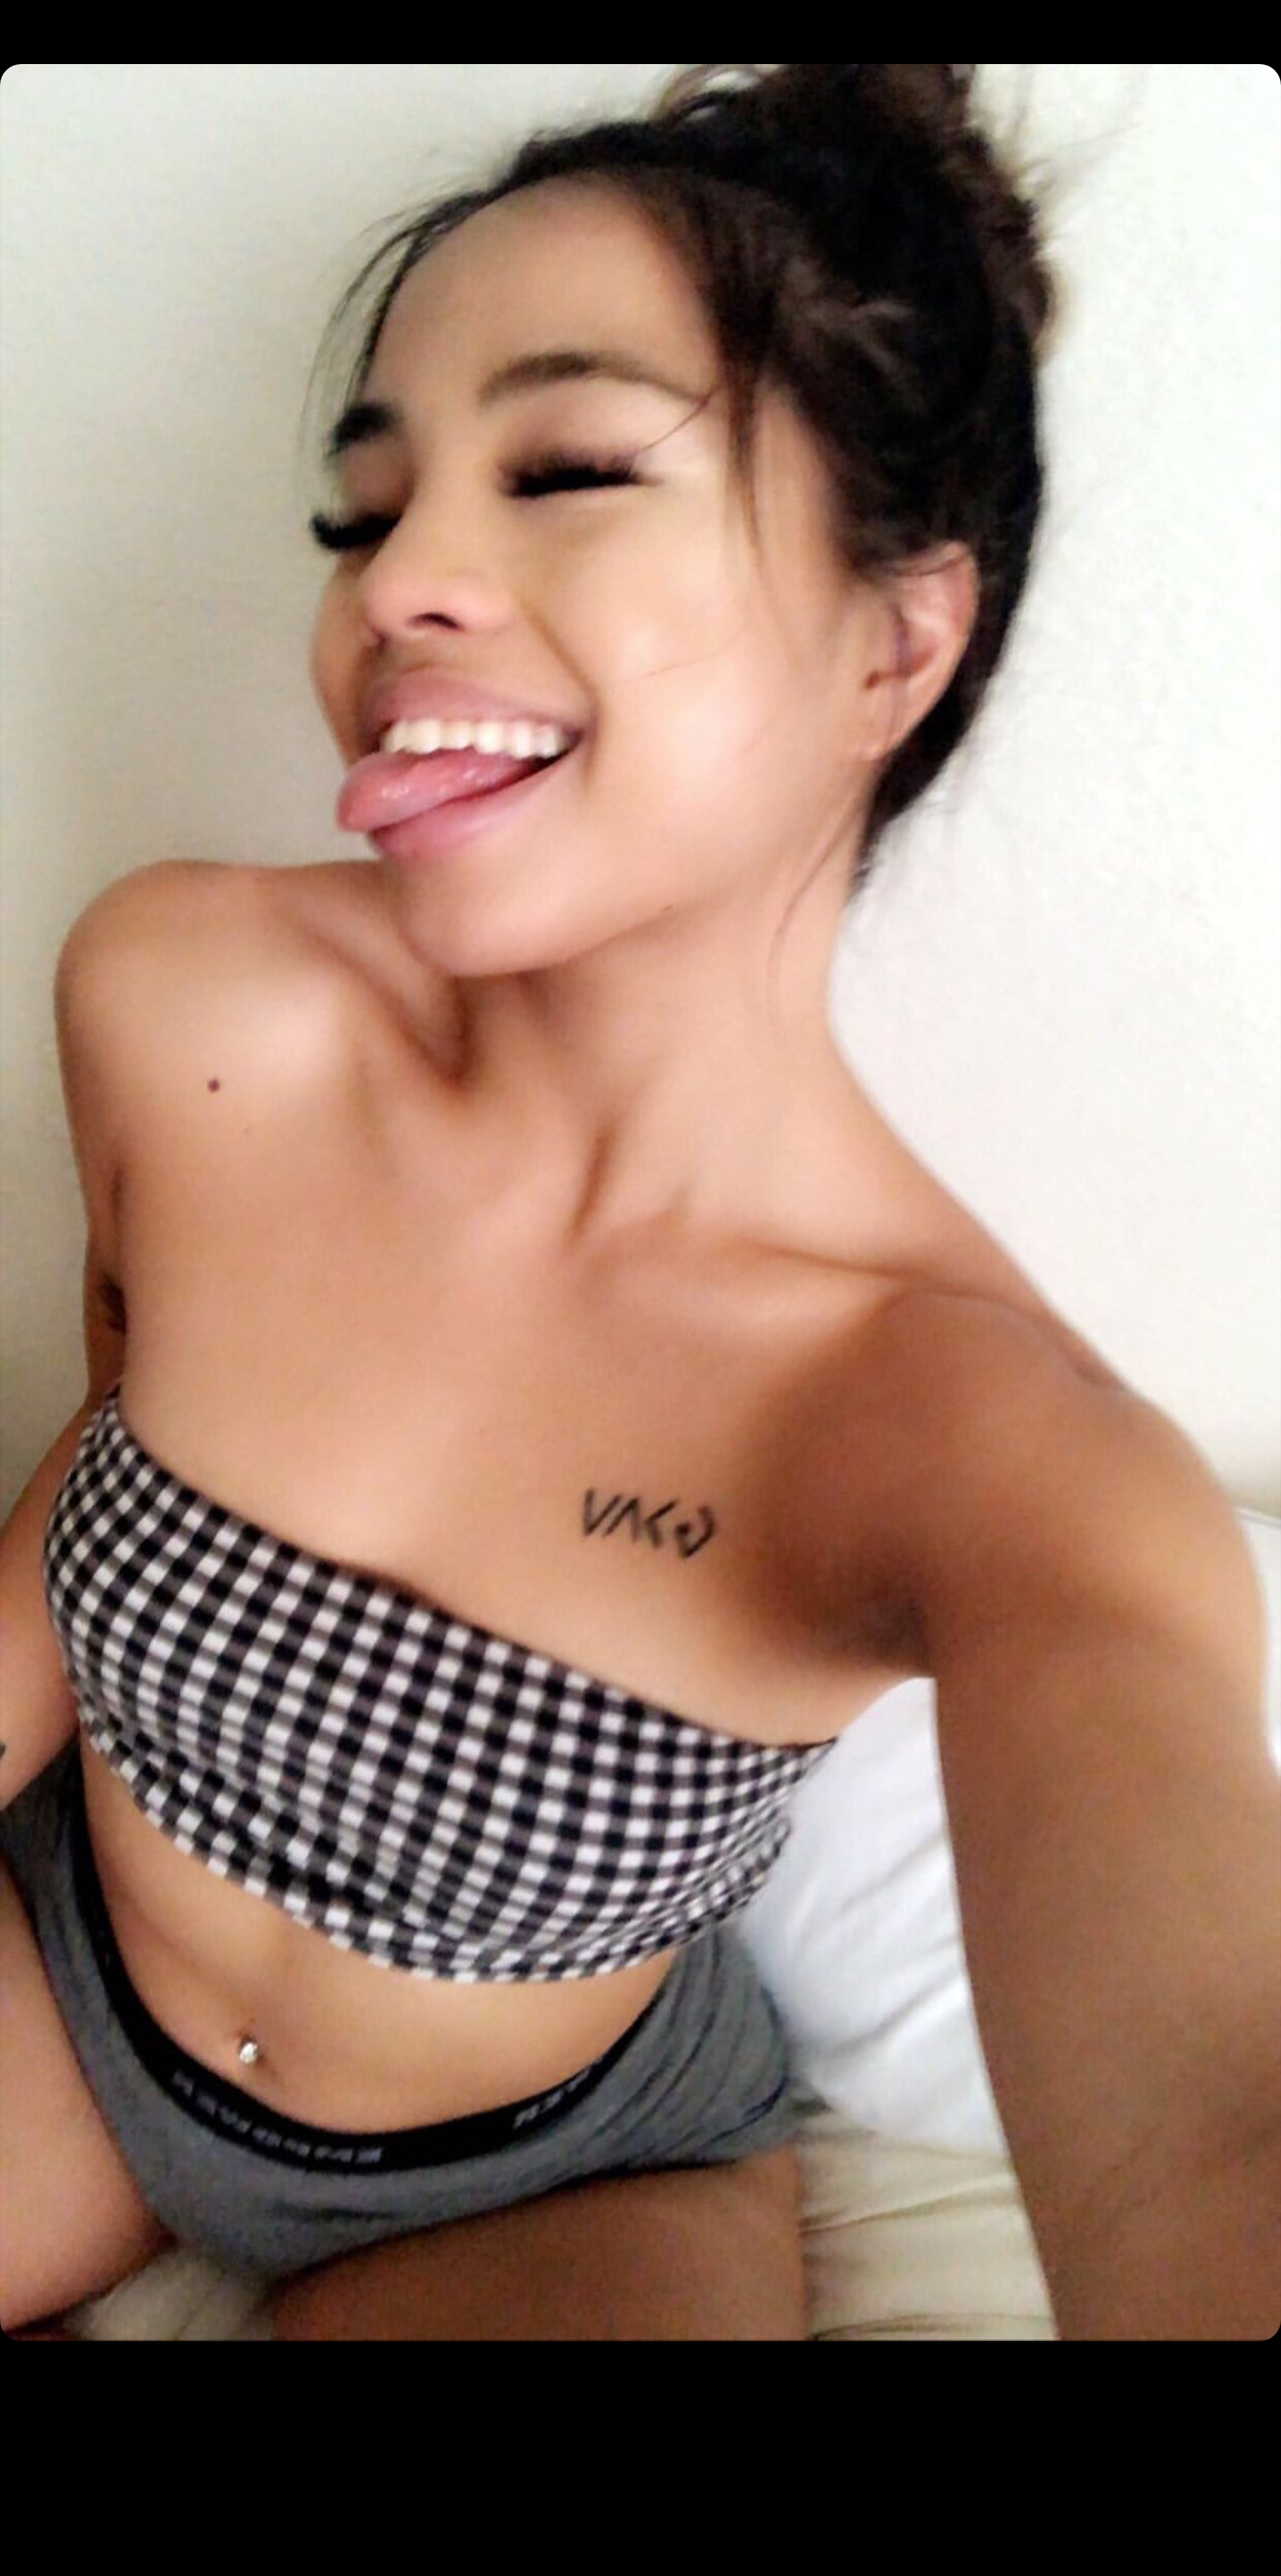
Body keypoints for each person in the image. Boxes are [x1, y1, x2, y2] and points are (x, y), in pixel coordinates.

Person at [2, 66, 1276, 2343]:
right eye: (362, 511)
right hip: (79, 1983)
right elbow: (121, 1432)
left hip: (548, 2175)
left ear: (895, 643)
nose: (396, 586)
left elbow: (1208, 2138)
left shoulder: (976, 1437)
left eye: (570, 469)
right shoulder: (184, 1002)